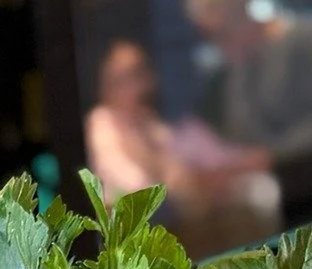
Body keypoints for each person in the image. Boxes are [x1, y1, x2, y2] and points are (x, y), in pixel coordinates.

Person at [85, 37, 280, 248]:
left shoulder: (153, 124)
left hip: (188, 219)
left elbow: (197, 165)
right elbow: (143, 191)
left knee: (258, 189)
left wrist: (207, 178)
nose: (138, 87)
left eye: (141, 73)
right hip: (140, 237)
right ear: (104, 85)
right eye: (124, 78)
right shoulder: (101, 125)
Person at [188, 0, 312, 160]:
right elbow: (240, 132)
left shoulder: (303, 41)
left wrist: (274, 156)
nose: (217, 44)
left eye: (221, 33)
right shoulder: (237, 65)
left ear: (241, 13)